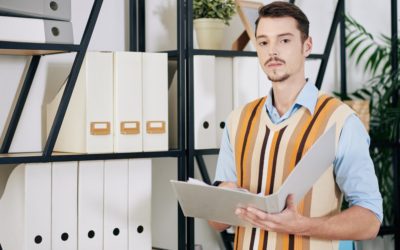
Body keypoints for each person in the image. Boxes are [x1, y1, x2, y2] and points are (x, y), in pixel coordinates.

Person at [208, 1, 382, 250]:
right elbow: (217, 223)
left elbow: (370, 220)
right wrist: (224, 198)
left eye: (285, 40)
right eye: (264, 42)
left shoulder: (341, 121)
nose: (272, 51)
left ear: (306, 46)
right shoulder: (238, 120)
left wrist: (301, 225)